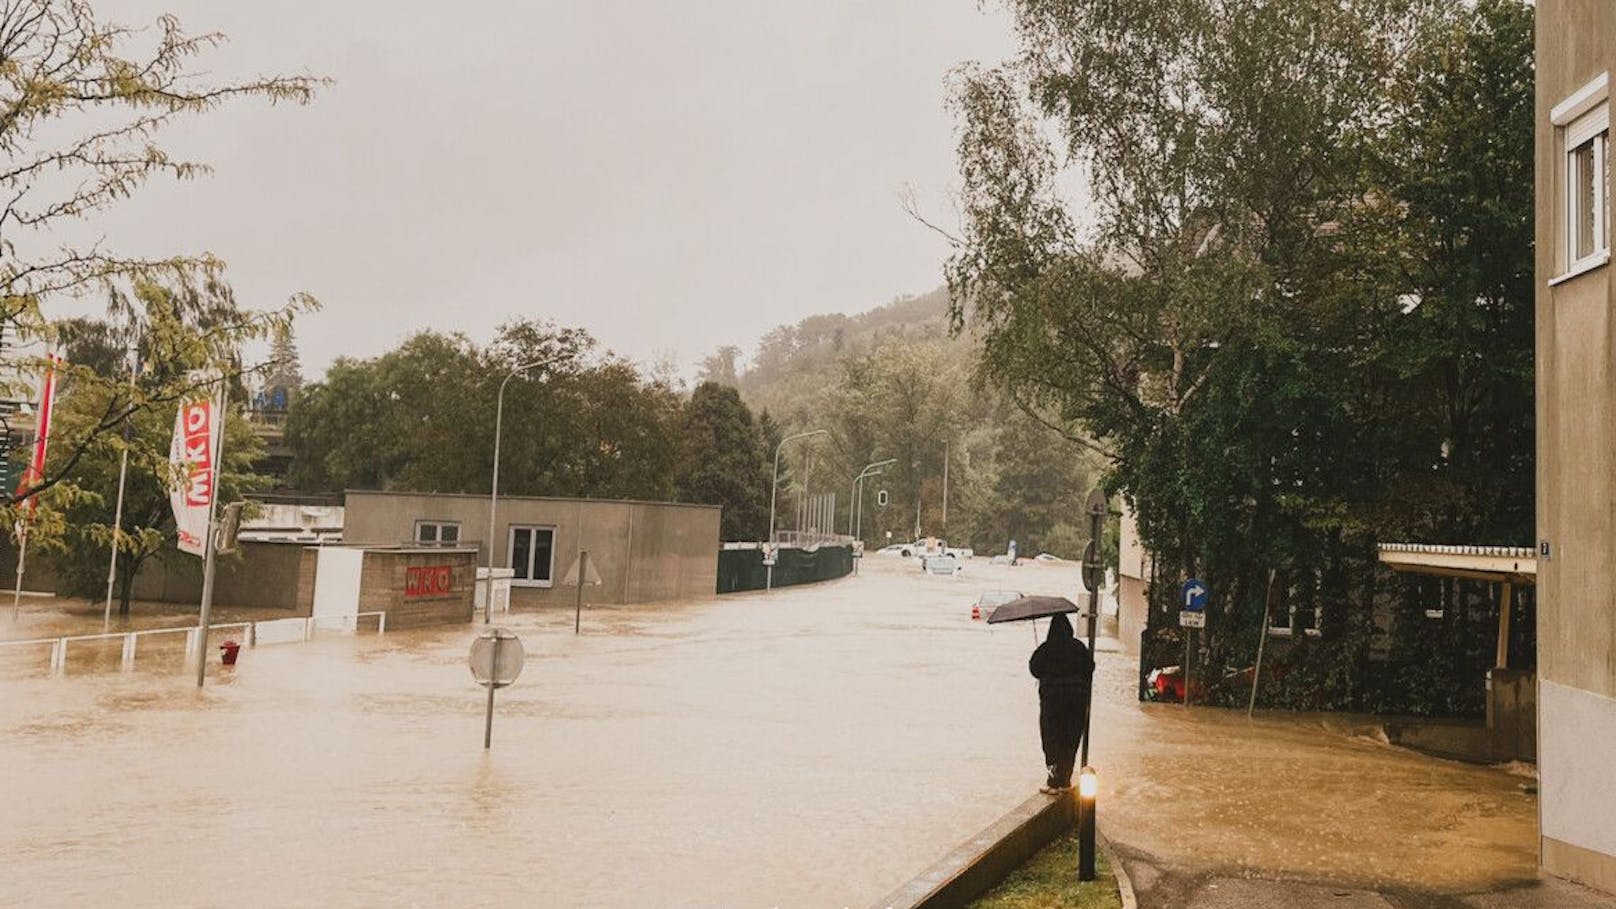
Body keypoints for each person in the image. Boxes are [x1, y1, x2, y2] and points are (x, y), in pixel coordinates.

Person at [1029, 613, 1094, 793]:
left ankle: (1053, 781)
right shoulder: (1078, 647)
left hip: (1052, 700)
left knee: (1051, 738)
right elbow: (1090, 668)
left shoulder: (1046, 648)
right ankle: (1065, 780)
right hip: (1077, 700)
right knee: (1070, 738)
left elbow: (1034, 669)